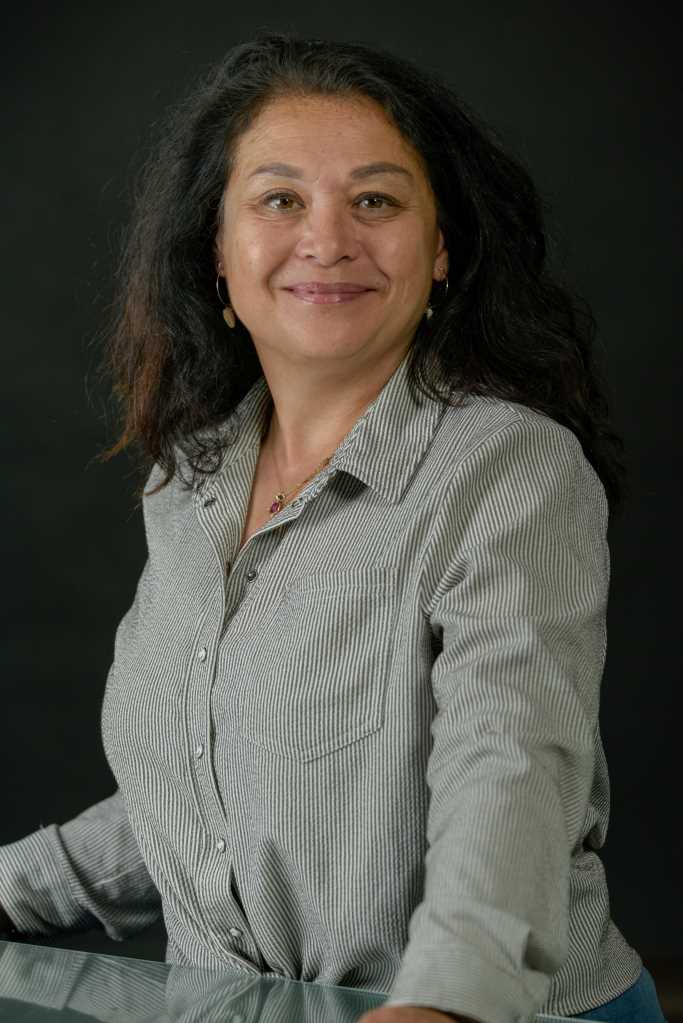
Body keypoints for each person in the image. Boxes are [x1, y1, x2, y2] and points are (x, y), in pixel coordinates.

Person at [0, 31, 668, 1023]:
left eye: (376, 202)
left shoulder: (507, 467)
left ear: (438, 251)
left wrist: (447, 1002)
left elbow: (512, 771)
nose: (327, 239)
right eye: (279, 201)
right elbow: (216, 798)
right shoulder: (190, 479)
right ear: (216, 253)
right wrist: (12, 888)